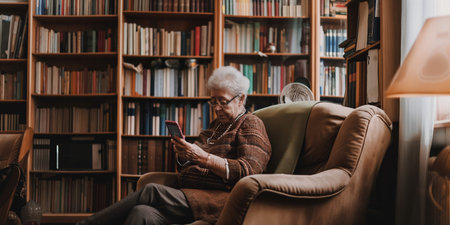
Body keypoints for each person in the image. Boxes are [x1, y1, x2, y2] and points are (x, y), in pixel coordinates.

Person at [77, 66, 272, 225]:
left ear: (241, 99)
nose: (217, 109)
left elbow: (249, 171)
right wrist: (184, 153)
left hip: (218, 201)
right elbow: (190, 159)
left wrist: (202, 157)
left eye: (222, 102)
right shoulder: (217, 126)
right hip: (189, 197)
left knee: (151, 191)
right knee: (141, 213)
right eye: (213, 102)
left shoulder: (250, 123)